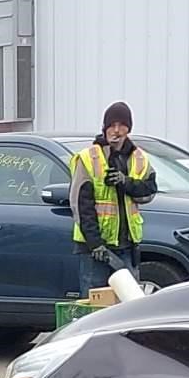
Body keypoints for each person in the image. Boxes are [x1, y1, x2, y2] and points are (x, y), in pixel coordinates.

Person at [71, 101, 156, 293]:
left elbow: (149, 190)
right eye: (112, 125)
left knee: (127, 306)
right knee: (96, 307)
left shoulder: (138, 158)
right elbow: (80, 205)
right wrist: (95, 244)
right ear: (105, 128)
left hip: (127, 247)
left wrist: (125, 182)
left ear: (128, 129)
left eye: (121, 125)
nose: (116, 130)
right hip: (96, 251)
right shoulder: (89, 157)